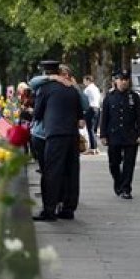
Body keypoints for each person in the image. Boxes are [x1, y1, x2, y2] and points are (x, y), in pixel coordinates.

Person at [32, 61, 84, 221]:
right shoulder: (72, 89)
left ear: (46, 73)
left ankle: (49, 210)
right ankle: (68, 209)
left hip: (55, 134)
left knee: (51, 172)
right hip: (72, 134)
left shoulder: (45, 88)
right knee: (71, 172)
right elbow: (80, 111)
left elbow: (37, 114)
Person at [99, 70, 140, 199]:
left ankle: (126, 189)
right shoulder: (109, 97)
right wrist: (103, 135)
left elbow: (139, 116)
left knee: (129, 164)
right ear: (116, 81)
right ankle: (118, 182)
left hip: (130, 135)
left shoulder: (134, 97)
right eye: (121, 79)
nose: (124, 82)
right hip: (114, 135)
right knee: (114, 163)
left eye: (126, 80)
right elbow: (104, 117)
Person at [83, 75, 102, 155]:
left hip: (90, 109)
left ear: (88, 80)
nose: (84, 82)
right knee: (94, 130)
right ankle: (96, 147)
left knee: (90, 129)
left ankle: (92, 148)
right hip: (97, 109)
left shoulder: (87, 89)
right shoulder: (96, 88)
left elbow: (84, 100)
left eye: (84, 81)